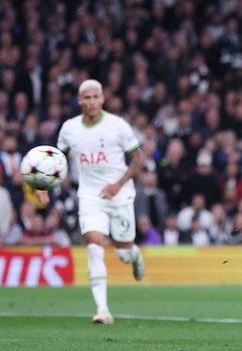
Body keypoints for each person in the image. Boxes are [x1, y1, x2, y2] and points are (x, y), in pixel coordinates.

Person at [36, 79, 145, 325]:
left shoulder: (118, 126)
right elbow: (57, 162)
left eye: (95, 97)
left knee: (124, 253)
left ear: (103, 99)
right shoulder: (69, 128)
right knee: (95, 248)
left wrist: (118, 184)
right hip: (90, 196)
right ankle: (103, 310)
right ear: (79, 101)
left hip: (120, 195)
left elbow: (139, 159)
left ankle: (135, 255)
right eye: (87, 97)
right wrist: (43, 187)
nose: (91, 102)